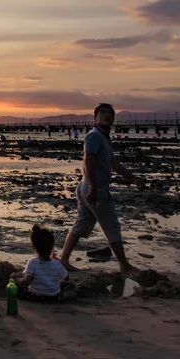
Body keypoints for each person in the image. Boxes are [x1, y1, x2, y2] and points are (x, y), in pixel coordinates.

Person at [59, 103, 145, 276]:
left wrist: (133, 177)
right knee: (111, 225)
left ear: (113, 119)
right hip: (94, 188)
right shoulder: (95, 136)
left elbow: (114, 164)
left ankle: (63, 260)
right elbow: (87, 161)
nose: (107, 115)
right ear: (95, 117)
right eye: (103, 112)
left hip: (86, 187)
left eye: (110, 113)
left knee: (81, 224)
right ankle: (124, 265)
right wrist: (93, 187)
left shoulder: (103, 138)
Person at [12, 224, 71, 302]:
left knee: (17, 287)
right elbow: (66, 276)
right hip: (54, 297)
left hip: (35, 296)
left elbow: (26, 281)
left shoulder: (32, 263)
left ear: (33, 246)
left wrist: (16, 279)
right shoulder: (57, 264)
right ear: (52, 246)